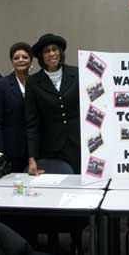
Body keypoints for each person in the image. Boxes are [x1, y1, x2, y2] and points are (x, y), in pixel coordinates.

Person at [25, 33, 81, 174]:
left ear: (60, 52)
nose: (52, 54)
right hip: (51, 148)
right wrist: (32, 158)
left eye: (54, 49)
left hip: (79, 144)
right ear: (41, 57)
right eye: (46, 51)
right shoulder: (33, 82)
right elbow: (32, 122)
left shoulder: (77, 74)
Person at [0, 42, 33, 172]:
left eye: (25, 57)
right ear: (12, 61)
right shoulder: (1, 85)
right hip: (10, 149)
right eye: (16, 57)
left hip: (33, 149)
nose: (21, 60)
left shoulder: (36, 83)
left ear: (31, 60)